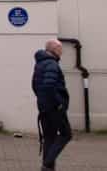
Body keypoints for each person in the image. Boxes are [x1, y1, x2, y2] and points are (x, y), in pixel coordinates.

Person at [32, 39, 72, 171]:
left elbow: (35, 86)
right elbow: (49, 86)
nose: (62, 51)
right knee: (66, 134)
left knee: (49, 137)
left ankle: (48, 167)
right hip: (54, 108)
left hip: (43, 107)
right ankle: (47, 163)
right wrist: (58, 103)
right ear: (54, 49)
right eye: (60, 48)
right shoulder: (51, 64)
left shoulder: (40, 64)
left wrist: (42, 101)